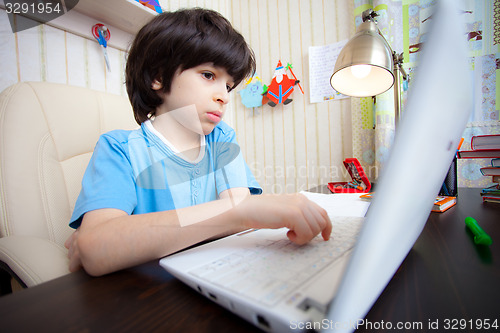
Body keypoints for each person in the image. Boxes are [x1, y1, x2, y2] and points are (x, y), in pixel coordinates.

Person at [65, 8, 331, 277]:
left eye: (228, 86)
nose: (224, 97)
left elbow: (241, 218)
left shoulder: (221, 139)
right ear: (158, 76)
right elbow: (96, 249)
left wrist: (242, 212)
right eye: (208, 75)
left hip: (215, 279)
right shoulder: (120, 149)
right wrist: (238, 212)